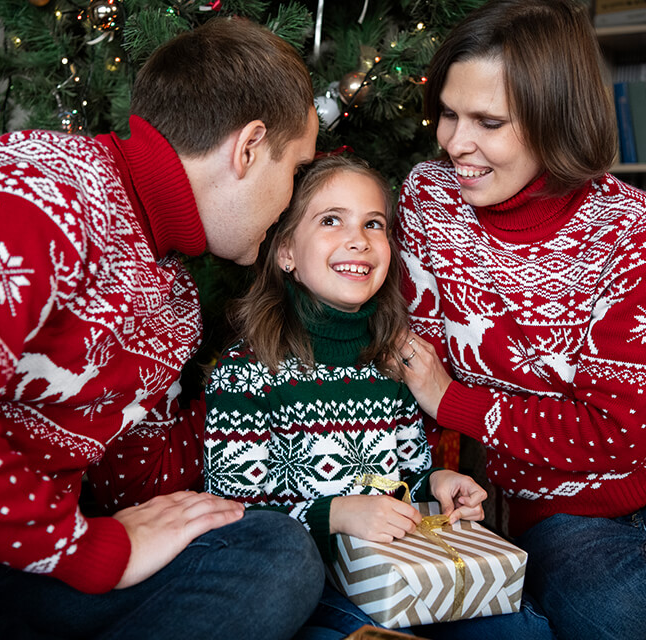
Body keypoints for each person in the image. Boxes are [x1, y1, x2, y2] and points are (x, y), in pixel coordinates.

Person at [0, 17, 323, 640]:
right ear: (249, 148)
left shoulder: (171, 295)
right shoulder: (37, 188)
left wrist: (277, 406)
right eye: (296, 170)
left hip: (11, 566)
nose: (291, 203)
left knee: (273, 555)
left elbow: (136, 483)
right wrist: (91, 553)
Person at [393, 1, 646, 639]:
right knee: (625, 622)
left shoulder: (638, 228)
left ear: (554, 119)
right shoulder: (428, 202)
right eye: (448, 112)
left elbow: (624, 431)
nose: (455, 142)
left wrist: (456, 402)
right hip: (554, 499)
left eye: (489, 121)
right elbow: (407, 353)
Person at [202, 154, 554, 640]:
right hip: (317, 588)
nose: (358, 240)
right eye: (331, 220)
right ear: (286, 251)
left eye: (373, 224)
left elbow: (405, 472)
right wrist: (337, 512)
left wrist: (439, 483)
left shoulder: (392, 360)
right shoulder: (247, 373)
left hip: (403, 568)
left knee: (522, 631)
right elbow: (232, 514)